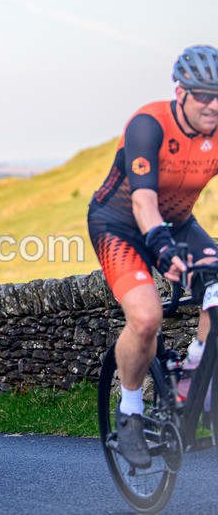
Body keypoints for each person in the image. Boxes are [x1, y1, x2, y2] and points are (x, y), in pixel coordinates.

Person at [87, 45, 218, 468]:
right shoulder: (149, 125)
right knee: (146, 318)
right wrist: (161, 247)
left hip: (177, 223)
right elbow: (143, 202)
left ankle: (193, 376)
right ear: (181, 92)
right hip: (120, 226)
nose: (213, 105)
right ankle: (129, 411)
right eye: (204, 95)